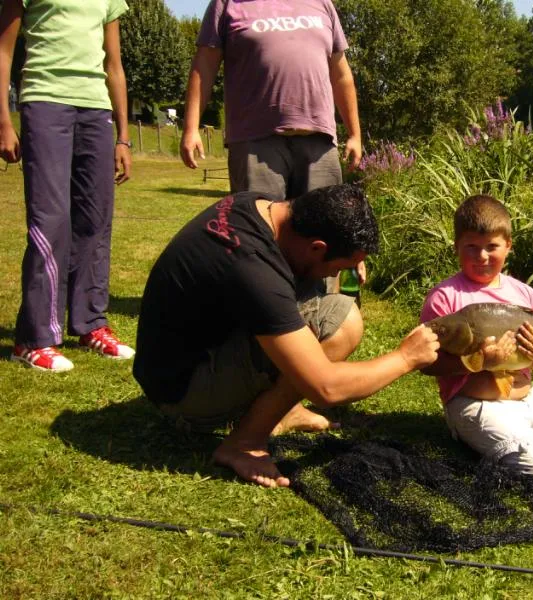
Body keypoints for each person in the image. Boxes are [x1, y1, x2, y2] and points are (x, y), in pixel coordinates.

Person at [133, 184, 439, 488]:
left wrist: (349, 252)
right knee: (343, 322)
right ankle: (244, 443)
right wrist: (406, 358)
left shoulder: (259, 206)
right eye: (338, 267)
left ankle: (285, 409)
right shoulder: (253, 266)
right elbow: (326, 388)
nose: (336, 275)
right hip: (185, 395)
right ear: (317, 246)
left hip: (180, 361)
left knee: (316, 286)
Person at [180, 0, 365, 288]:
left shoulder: (321, 4)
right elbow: (205, 65)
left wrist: (354, 133)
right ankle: (264, 308)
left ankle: (324, 308)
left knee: (327, 233)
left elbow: (340, 72)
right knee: (258, 234)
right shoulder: (227, 4)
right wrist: (191, 127)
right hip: (255, 141)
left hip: (318, 141)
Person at [420, 195, 533, 477]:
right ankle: (475, 433)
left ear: (508, 246)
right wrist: (480, 363)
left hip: (527, 400)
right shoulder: (445, 298)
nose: (482, 256)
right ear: (456, 247)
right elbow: (427, 363)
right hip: (473, 403)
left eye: (492, 246)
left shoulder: (525, 294)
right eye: (471, 247)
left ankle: (520, 434)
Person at [0, 0, 134, 373]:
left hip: (96, 109)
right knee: (51, 220)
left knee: (95, 220)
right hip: (45, 102)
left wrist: (124, 137)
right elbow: (4, 51)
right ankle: (33, 339)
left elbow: (114, 65)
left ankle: (90, 324)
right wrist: (4, 122)